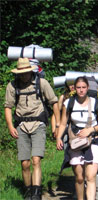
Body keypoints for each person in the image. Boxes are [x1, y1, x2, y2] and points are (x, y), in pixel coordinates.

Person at [4, 58, 60, 200]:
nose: (23, 76)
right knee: (25, 163)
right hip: (21, 126)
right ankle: (28, 191)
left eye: (25, 73)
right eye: (20, 73)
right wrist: (10, 126)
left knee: (36, 160)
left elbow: (54, 102)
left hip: (38, 125)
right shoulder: (12, 86)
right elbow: (8, 107)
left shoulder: (41, 83)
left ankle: (36, 193)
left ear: (31, 71)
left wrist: (57, 124)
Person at [56, 76, 98, 200]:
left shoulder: (95, 103)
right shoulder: (69, 103)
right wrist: (59, 138)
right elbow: (63, 123)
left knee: (90, 176)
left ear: (88, 88)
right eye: (78, 87)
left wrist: (90, 130)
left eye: (84, 87)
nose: (81, 90)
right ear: (74, 89)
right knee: (79, 178)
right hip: (76, 142)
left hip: (93, 141)